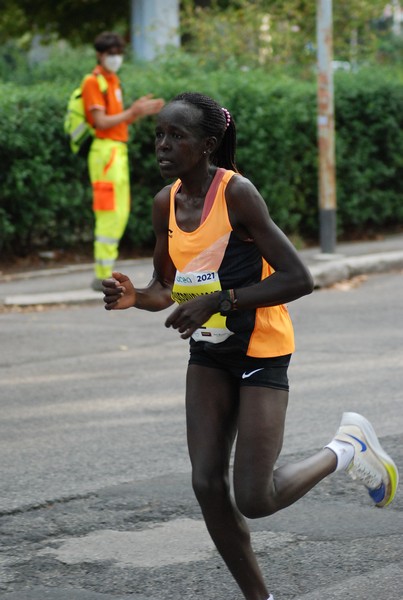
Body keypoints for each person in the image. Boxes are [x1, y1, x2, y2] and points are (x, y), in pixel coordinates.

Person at [102, 92, 399, 600]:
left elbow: (299, 278)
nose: (163, 145)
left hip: (261, 345)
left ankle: (347, 448)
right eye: (159, 135)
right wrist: (136, 298)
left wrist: (222, 299)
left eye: (178, 136)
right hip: (210, 354)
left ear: (208, 145)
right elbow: (166, 287)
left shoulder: (237, 194)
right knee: (206, 484)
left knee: (256, 498)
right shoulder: (164, 203)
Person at [81, 31, 164, 290]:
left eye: (119, 54)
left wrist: (135, 112)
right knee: (109, 213)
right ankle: (102, 275)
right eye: (111, 54)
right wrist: (133, 111)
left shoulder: (112, 80)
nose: (116, 58)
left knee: (120, 212)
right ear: (99, 55)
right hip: (105, 153)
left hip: (116, 151)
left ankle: (106, 271)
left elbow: (116, 121)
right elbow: (101, 122)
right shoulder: (93, 82)